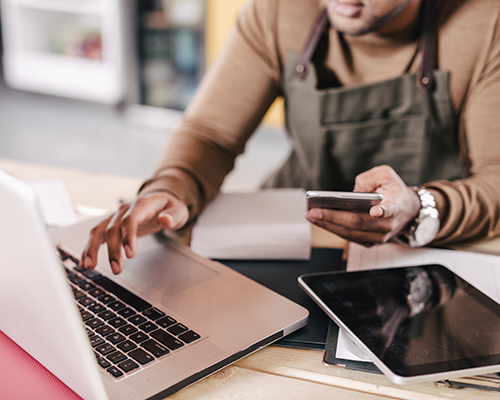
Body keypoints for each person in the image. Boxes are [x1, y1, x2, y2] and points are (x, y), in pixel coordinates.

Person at [81, 0, 500, 274]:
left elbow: (496, 180)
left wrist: (420, 208)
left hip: (428, 249)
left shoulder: (487, 24)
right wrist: (172, 185)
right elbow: (210, 133)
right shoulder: (278, 9)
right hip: (294, 233)